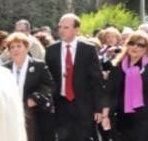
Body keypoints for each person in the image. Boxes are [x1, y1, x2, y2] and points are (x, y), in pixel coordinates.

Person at [45, 13, 107, 141]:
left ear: (76, 30)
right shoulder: (51, 50)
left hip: (84, 105)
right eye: (59, 27)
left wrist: (98, 108)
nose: (61, 30)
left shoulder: (88, 49)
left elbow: (97, 80)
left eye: (66, 27)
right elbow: (48, 79)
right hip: (61, 104)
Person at [105, 31, 148, 141]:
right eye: (132, 43)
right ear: (127, 45)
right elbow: (109, 94)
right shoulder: (117, 67)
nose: (135, 47)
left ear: (147, 48)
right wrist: (105, 116)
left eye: (141, 45)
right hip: (121, 121)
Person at [3, 32, 54, 141]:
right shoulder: (4, 68)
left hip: (34, 115)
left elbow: (48, 86)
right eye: (12, 47)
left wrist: (36, 98)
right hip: (11, 115)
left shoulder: (38, 65)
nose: (15, 50)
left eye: (19, 46)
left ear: (27, 48)